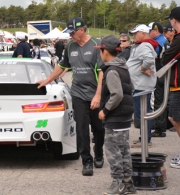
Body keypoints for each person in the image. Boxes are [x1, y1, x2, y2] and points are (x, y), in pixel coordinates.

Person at [38, 17, 105, 176]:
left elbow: (101, 72)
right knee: (81, 129)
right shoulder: (70, 47)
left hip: (95, 93)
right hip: (78, 93)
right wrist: (48, 79)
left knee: (98, 128)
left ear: (82, 30)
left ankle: (99, 152)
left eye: (72, 32)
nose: (70, 36)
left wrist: (98, 95)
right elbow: (62, 67)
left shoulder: (96, 46)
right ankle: (86, 161)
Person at [95, 35, 136, 195]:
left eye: (100, 50)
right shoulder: (123, 67)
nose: (100, 53)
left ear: (105, 51)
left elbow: (117, 94)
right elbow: (130, 87)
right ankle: (128, 183)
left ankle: (117, 183)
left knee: (113, 152)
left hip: (115, 118)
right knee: (124, 151)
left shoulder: (111, 71)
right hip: (125, 117)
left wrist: (105, 111)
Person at [126, 24, 158, 148]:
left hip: (141, 86)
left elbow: (149, 59)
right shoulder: (143, 45)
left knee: (143, 113)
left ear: (143, 33)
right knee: (142, 113)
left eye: (135, 33)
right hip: (140, 84)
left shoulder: (144, 45)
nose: (133, 36)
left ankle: (145, 140)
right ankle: (144, 138)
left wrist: (143, 69)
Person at [162, 6, 180, 168]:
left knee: (175, 119)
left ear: (174, 20)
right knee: (172, 118)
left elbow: (166, 57)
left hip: (178, 86)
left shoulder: (179, 39)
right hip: (176, 85)